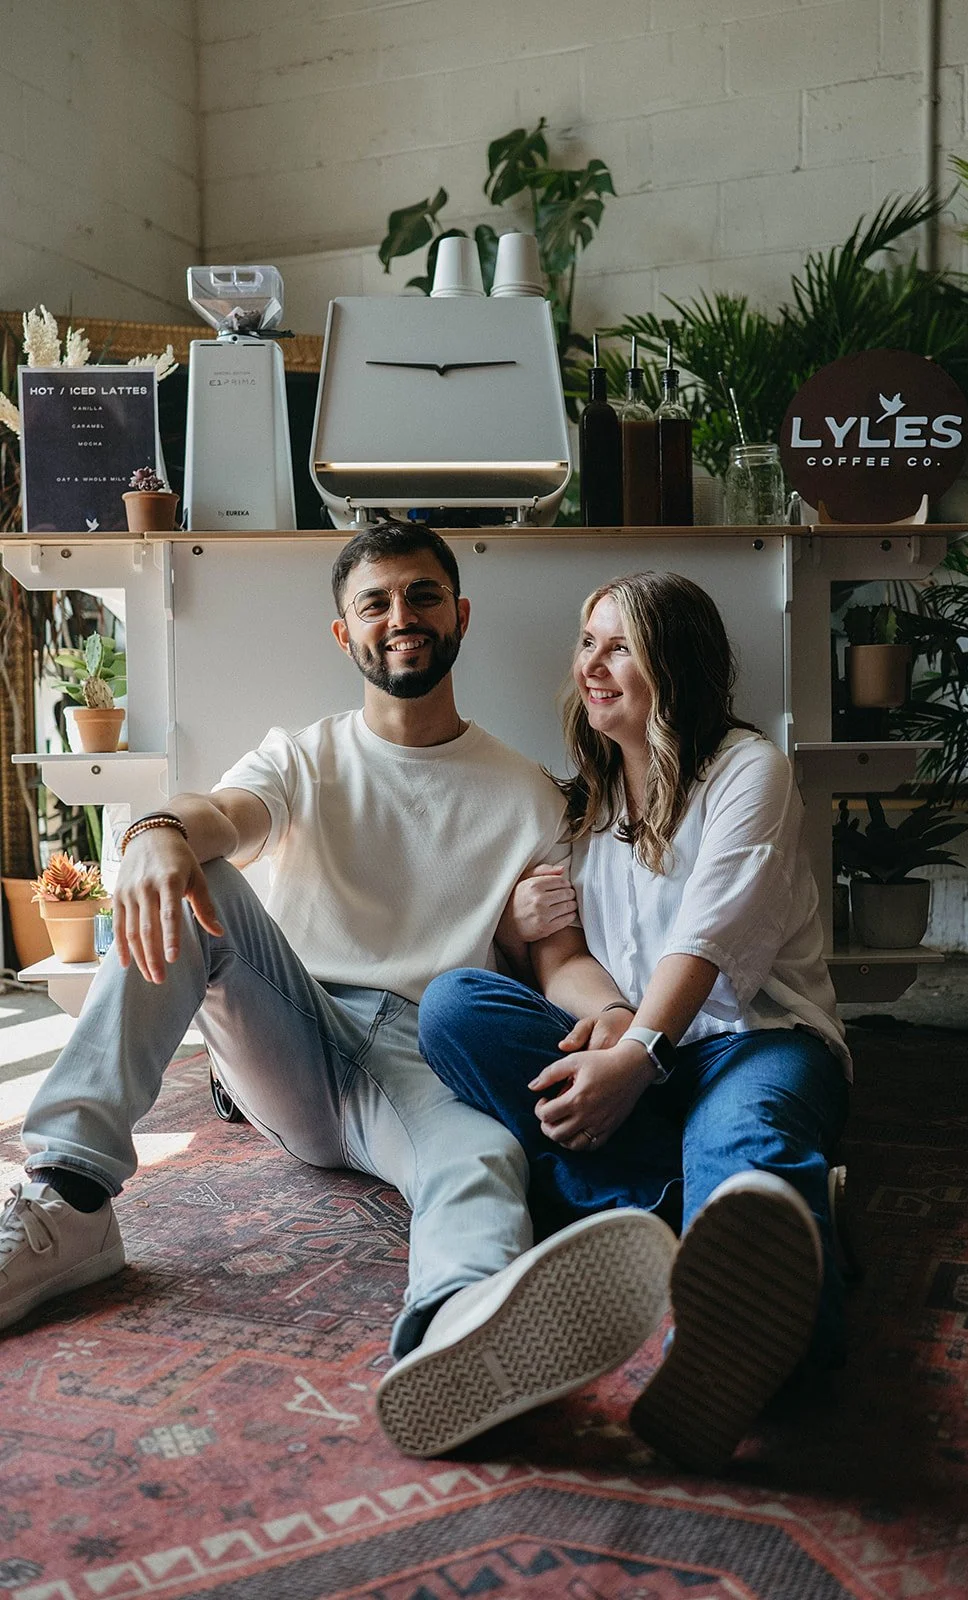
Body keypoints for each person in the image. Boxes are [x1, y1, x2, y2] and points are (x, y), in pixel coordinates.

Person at [0, 523, 676, 1460]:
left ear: (459, 615)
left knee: (482, 1159)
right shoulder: (303, 756)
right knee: (201, 880)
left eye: (423, 596)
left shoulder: (527, 794)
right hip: (300, 1029)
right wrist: (157, 826)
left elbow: (559, 959)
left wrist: (612, 1016)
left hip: (422, 1056)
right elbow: (225, 817)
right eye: (377, 601)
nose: (402, 616)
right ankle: (70, 1198)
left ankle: (457, 1333)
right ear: (345, 633)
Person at [418, 569, 852, 1474]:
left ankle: (765, 1331)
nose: (592, 665)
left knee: (747, 1151)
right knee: (458, 1006)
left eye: (620, 646)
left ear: (675, 663)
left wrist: (640, 1055)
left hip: (752, 1044)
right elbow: (560, 961)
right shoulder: (580, 804)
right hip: (637, 1053)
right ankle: (691, 1224)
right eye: (587, 643)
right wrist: (613, 1021)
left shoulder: (748, 772)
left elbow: (707, 942)